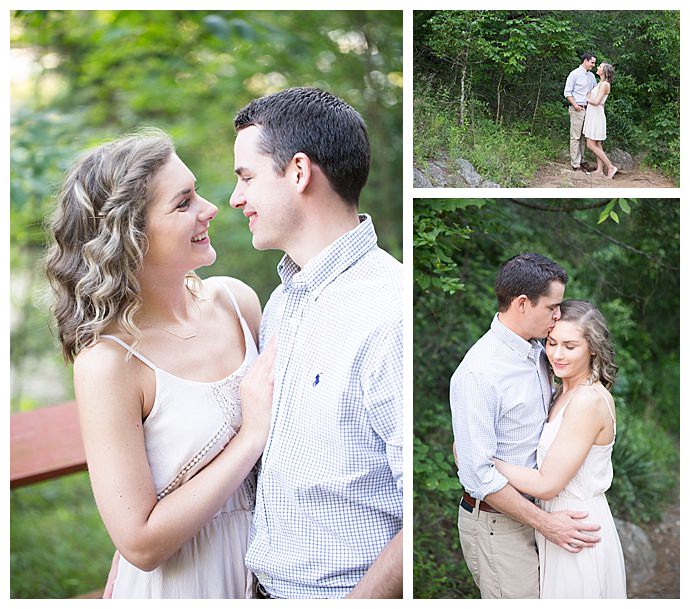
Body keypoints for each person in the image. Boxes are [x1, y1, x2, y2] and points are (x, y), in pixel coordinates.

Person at [45, 129, 276, 598]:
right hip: (184, 584)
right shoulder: (109, 361)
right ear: (130, 237)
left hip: (273, 571)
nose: (210, 208)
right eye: (183, 202)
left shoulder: (237, 303)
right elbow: (141, 544)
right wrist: (251, 437)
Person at [229, 87, 403, 599]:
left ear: (299, 172)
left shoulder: (389, 311)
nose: (237, 198)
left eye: (247, 177)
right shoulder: (281, 303)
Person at [449, 253, 601, 599]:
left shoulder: (539, 352)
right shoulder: (479, 374)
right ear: (522, 304)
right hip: (498, 525)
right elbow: (477, 474)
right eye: (552, 307)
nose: (558, 315)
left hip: (540, 513)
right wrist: (547, 524)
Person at [492, 300, 627, 598]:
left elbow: (547, 484)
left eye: (570, 346)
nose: (557, 354)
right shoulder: (560, 392)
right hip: (556, 527)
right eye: (551, 343)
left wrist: (483, 459)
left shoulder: (588, 401)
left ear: (592, 348)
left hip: (577, 530)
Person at [583, 62, 617, 179]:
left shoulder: (605, 85)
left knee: (590, 144)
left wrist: (587, 98)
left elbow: (597, 101)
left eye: (600, 67)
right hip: (593, 113)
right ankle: (599, 170)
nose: (597, 67)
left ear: (605, 71)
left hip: (596, 114)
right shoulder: (601, 83)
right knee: (597, 143)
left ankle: (611, 167)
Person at [564, 52, 597, 172]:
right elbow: (567, 92)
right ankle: (575, 164)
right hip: (577, 109)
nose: (593, 65)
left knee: (584, 137)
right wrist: (575, 105)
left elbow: (594, 91)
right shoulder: (574, 74)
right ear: (585, 61)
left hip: (589, 110)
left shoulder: (592, 76)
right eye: (592, 62)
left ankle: (582, 161)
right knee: (575, 136)